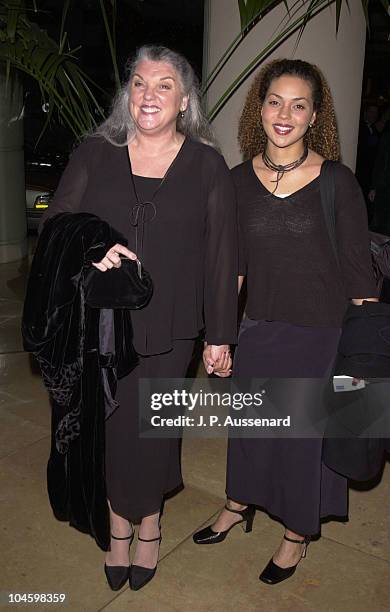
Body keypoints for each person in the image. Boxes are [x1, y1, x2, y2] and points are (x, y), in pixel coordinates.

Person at [40, 44, 237, 591]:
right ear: (128, 94)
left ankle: (148, 521)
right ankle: (118, 527)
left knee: (155, 433)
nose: (150, 94)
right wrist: (89, 243)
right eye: (140, 83)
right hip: (101, 325)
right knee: (108, 429)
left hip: (173, 328)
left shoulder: (206, 165)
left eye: (164, 84)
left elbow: (223, 253)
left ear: (184, 100)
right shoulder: (94, 154)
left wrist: (221, 336)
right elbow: (57, 221)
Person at [193, 59, 378, 585]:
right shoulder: (235, 181)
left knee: (301, 444)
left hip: (320, 336)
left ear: (315, 116)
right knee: (250, 430)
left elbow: (360, 277)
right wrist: (220, 336)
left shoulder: (336, 182)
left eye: (299, 105)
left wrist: (363, 366)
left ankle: (297, 535)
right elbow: (232, 270)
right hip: (258, 330)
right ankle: (238, 503)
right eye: (275, 101)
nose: (285, 114)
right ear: (260, 106)